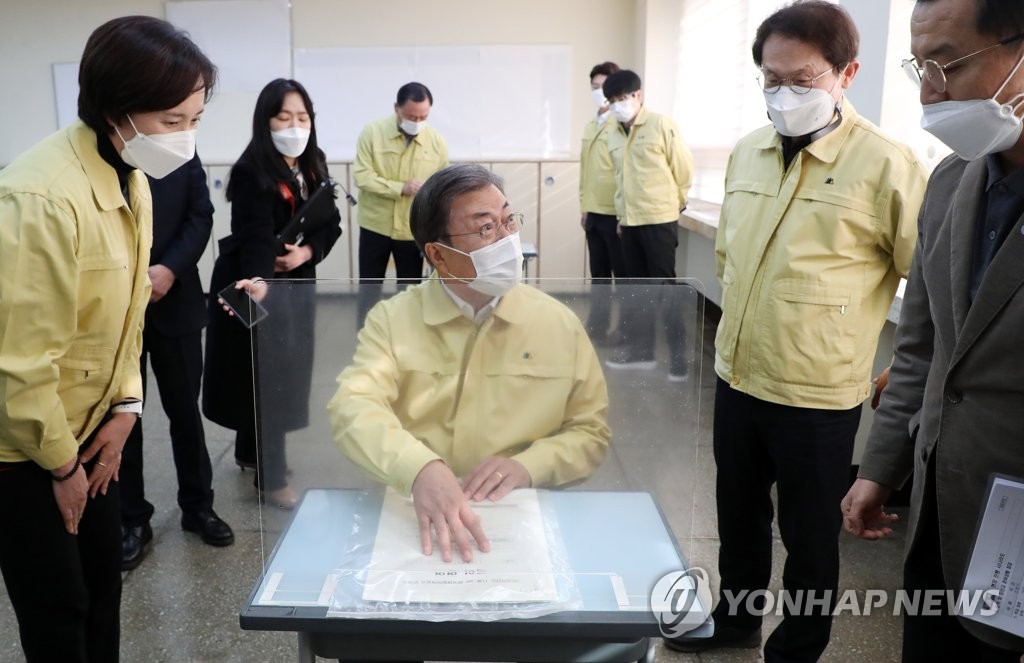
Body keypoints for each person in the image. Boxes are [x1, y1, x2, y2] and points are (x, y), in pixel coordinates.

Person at [664, 3, 929, 660]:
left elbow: (924, 278)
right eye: (771, 80)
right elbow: (730, 252)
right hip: (739, 374)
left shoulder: (887, 164)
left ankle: (798, 645)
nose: (784, 95)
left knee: (810, 534)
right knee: (740, 517)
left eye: (802, 80)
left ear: (847, 73)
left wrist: (915, 366)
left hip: (818, 393)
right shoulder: (750, 152)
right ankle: (736, 620)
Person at [0, 15, 214, 662]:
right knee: (59, 609)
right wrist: (62, 465)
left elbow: (125, 316)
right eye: (172, 120)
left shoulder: (128, 171)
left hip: (93, 428)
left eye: (196, 119)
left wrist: (125, 409)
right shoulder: (38, 198)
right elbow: (19, 366)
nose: (186, 138)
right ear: (116, 108)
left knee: (102, 593)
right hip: (28, 451)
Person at [843, 0, 1024, 660]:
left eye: (948, 64)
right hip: (944, 509)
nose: (927, 90)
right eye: (919, 65)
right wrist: (882, 468)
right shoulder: (952, 180)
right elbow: (922, 345)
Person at [328, 163, 611, 563]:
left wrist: (530, 466)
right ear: (438, 256)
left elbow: (590, 432)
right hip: (417, 512)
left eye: (508, 221)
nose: (508, 239)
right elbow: (352, 407)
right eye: (485, 229)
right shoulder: (392, 321)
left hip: (521, 515)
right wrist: (418, 468)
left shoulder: (556, 323)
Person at [203, 78, 342, 510]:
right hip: (253, 283)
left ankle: (250, 454)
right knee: (267, 378)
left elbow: (330, 222)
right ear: (266, 121)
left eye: (302, 117)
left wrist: (307, 253)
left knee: (275, 373)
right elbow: (255, 235)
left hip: (294, 282)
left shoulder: (312, 163)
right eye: (285, 117)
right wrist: (260, 281)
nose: (295, 125)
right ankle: (272, 477)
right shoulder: (251, 171)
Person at [119, 153, 234, 572]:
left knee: (185, 412)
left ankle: (198, 507)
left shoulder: (178, 150)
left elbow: (199, 215)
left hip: (176, 297)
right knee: (124, 415)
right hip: (116, 306)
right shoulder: (105, 151)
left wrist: (169, 268)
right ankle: (131, 519)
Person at [601, 69, 693, 379]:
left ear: (638, 95)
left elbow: (682, 169)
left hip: (658, 220)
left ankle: (679, 360)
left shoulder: (660, 125)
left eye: (622, 98)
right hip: (629, 222)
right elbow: (619, 179)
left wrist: (674, 203)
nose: (617, 105)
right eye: (612, 101)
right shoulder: (613, 131)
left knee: (665, 290)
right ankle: (643, 353)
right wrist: (620, 216)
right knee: (636, 291)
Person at [353, 82, 449, 324]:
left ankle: (405, 338)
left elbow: (442, 187)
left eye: (422, 116)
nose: (416, 121)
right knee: (369, 289)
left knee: (409, 291)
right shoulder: (372, 133)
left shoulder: (437, 142)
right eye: (410, 116)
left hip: (411, 229)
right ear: (396, 108)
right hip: (376, 225)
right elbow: (362, 177)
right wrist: (400, 188)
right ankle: (366, 338)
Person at [579, 61, 626, 343]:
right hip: (593, 211)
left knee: (621, 277)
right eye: (594, 87)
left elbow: (625, 170)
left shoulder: (621, 123)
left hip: (615, 211)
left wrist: (624, 214)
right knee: (598, 275)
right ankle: (597, 327)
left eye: (604, 87)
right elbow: (586, 170)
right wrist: (584, 207)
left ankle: (624, 331)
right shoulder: (590, 124)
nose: (599, 92)